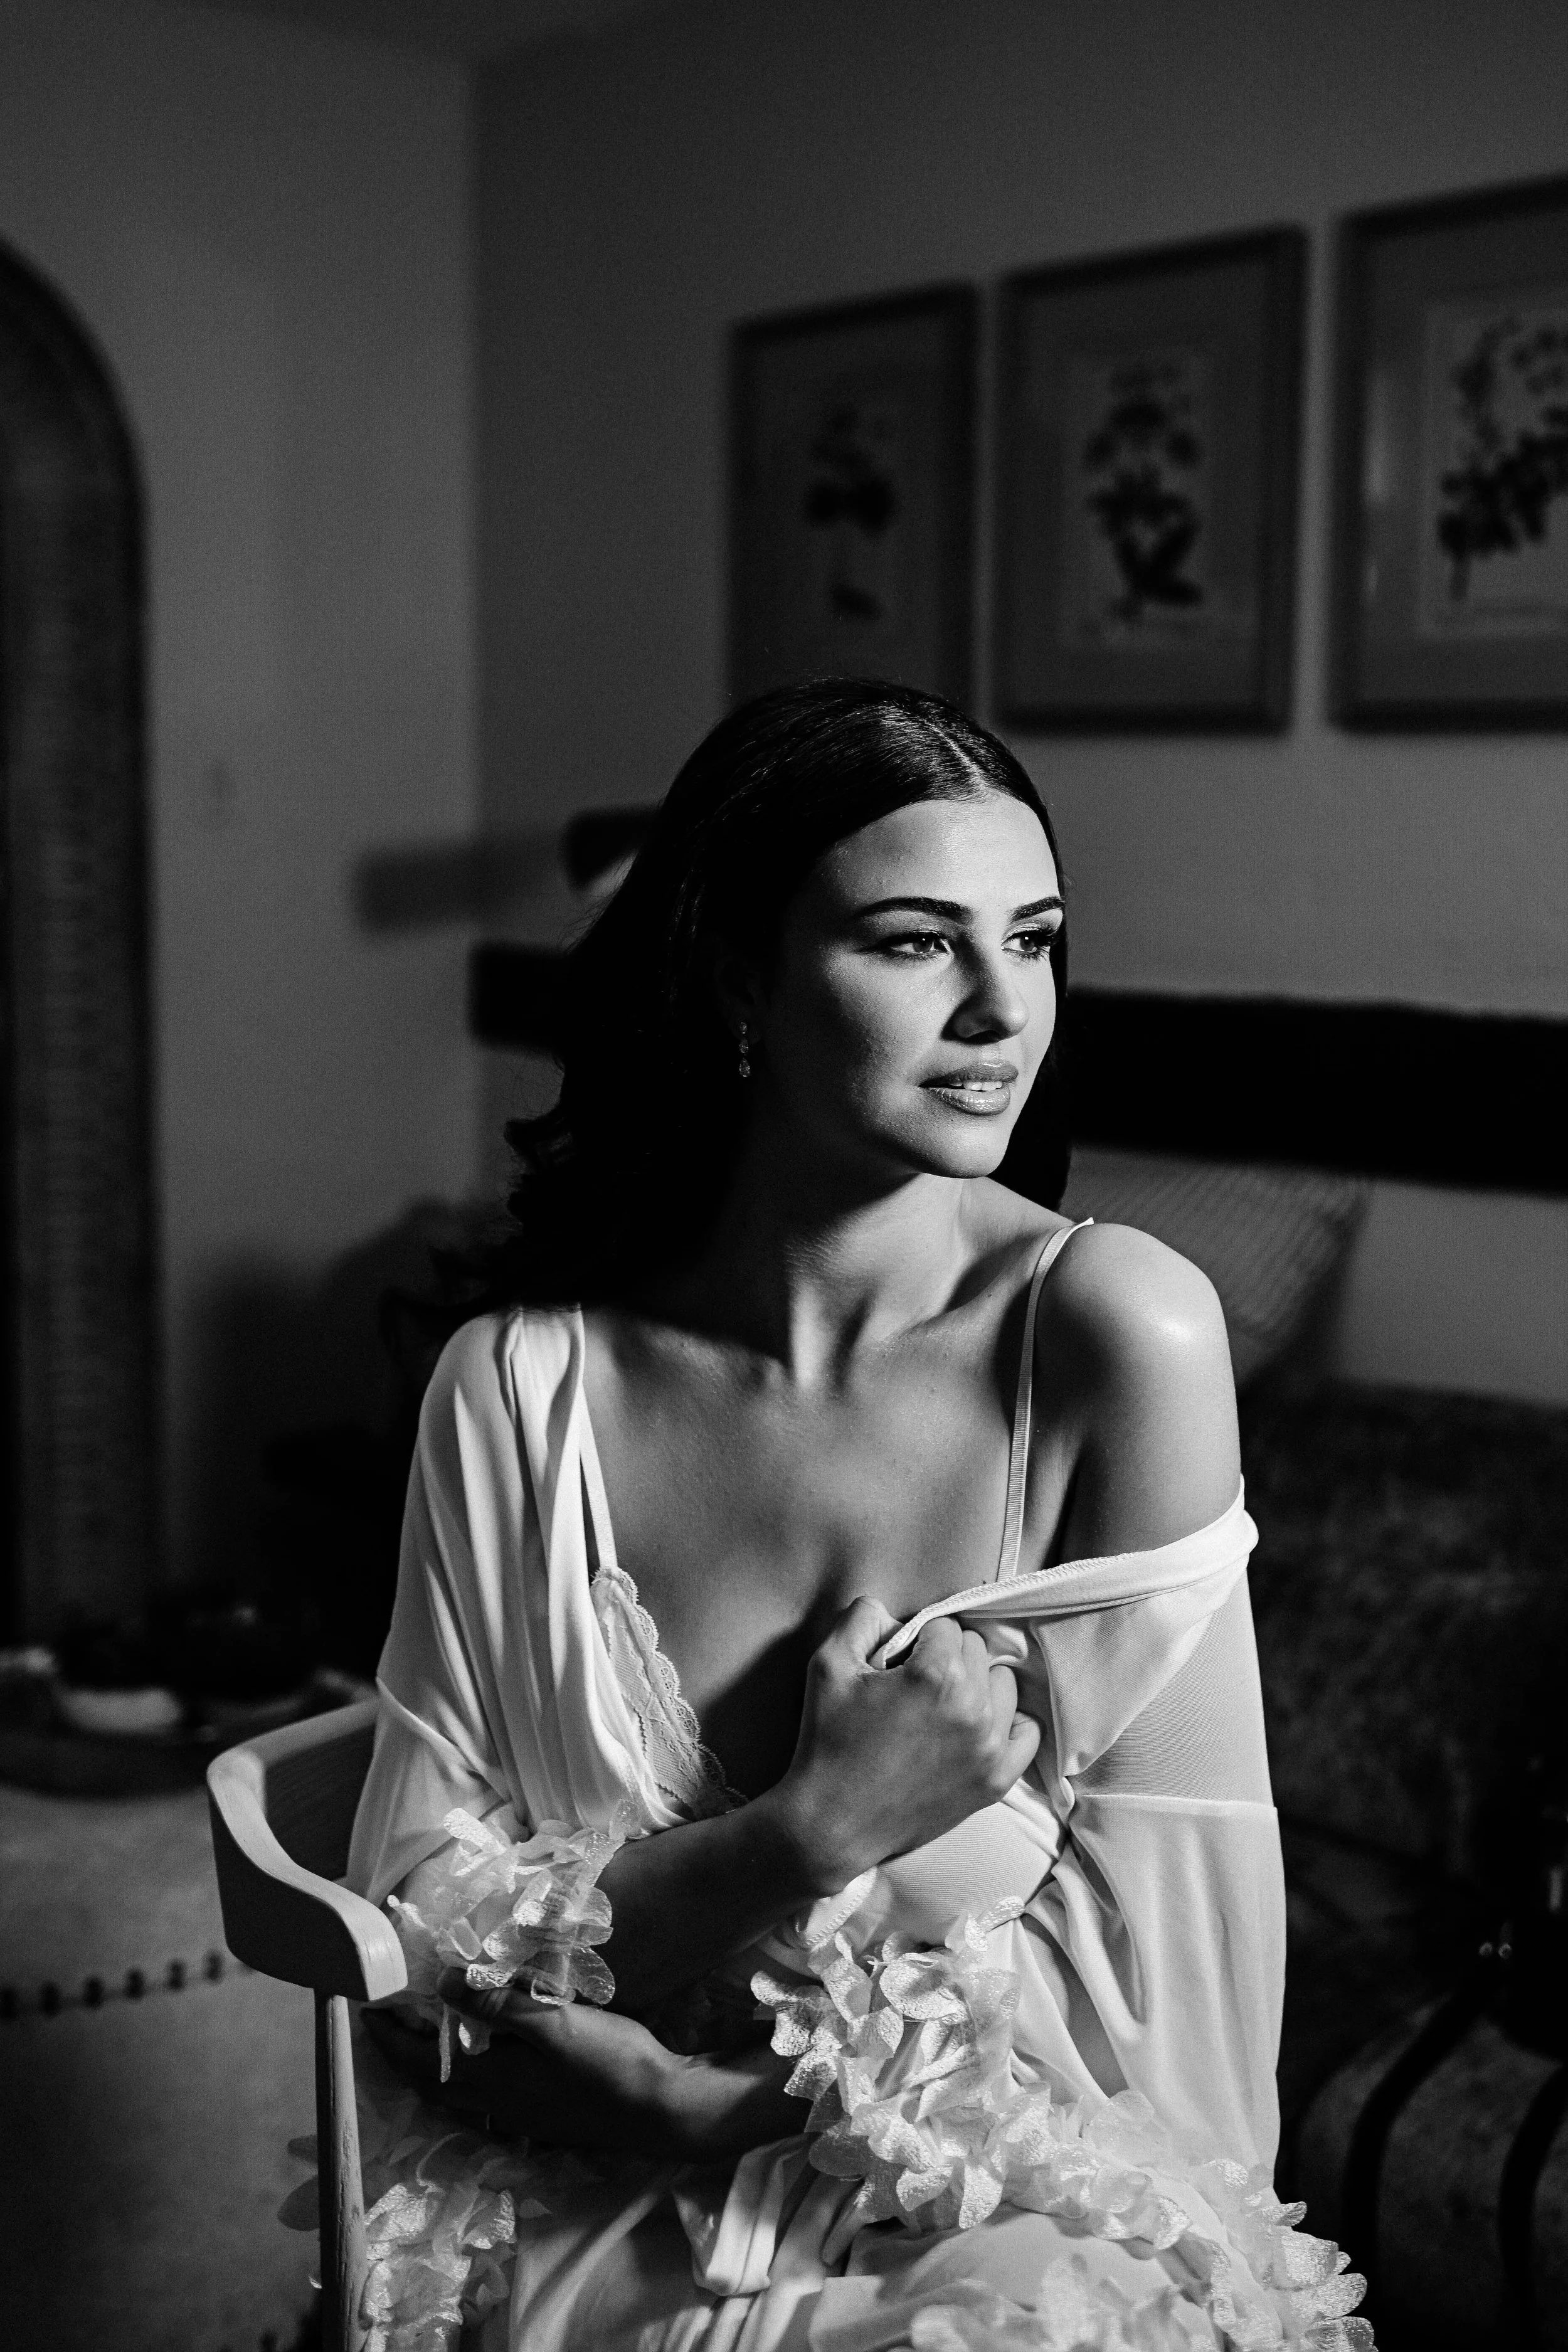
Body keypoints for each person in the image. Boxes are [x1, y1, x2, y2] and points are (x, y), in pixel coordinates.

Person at [345, 680, 1370, 2351]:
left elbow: (1185, 2035)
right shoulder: (516, 1389)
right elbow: (418, 1954)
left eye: (1031, 938)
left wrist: (704, 2092)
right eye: (913, 940)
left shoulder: (1119, 1334)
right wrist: (802, 1831)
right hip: (572, 2211)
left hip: (1011, 2254)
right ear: (736, 974)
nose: (999, 1009)